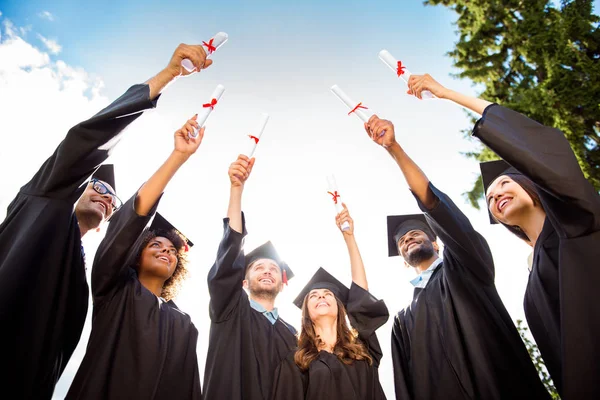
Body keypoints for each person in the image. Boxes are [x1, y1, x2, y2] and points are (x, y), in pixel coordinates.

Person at [0, 42, 212, 399]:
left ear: (107, 224)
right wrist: (169, 74)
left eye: (113, 200)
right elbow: (83, 141)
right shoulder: (45, 202)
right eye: (97, 185)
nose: (105, 196)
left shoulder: (81, 282)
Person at [406, 73, 600, 399]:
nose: (495, 196)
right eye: (491, 199)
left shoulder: (577, 220)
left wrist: (447, 93)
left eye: (504, 184)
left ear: (532, 187)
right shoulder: (532, 279)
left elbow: (542, 149)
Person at [363, 115, 551, 399]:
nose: (409, 238)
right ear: (402, 259)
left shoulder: (465, 265)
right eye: (402, 240)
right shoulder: (402, 321)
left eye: (416, 233)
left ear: (438, 244)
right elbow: (405, 385)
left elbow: (440, 210)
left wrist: (394, 149)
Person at [66, 116, 204, 399]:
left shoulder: (185, 325)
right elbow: (132, 221)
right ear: (135, 253)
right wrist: (178, 157)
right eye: (156, 243)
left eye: (172, 250)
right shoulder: (114, 289)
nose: (166, 250)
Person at [202, 154, 298, 400]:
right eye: (258, 267)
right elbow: (229, 255)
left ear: (281, 284)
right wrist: (236, 190)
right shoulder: (231, 309)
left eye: (273, 269)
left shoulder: (293, 334)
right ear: (243, 282)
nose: (267, 270)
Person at [270, 204, 389, 400]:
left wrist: (349, 238)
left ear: (340, 306)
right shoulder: (297, 361)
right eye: (314, 295)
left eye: (327, 294)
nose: (321, 296)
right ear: (306, 312)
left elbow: (361, 296)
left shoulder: (362, 350)